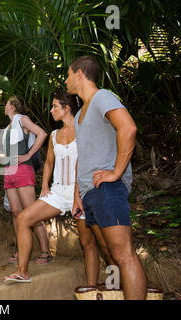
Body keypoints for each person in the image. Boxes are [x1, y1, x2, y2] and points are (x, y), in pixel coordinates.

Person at [3, 91, 114, 284]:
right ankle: (22, 271)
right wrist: (45, 185)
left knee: (90, 243)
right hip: (58, 192)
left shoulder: (83, 132)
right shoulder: (54, 135)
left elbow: (87, 163)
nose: (51, 110)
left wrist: (78, 195)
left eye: (55, 106)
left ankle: (93, 287)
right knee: (23, 218)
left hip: (82, 192)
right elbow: (48, 164)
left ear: (67, 108)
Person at [66, 55, 147, 299]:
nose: (66, 81)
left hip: (107, 190)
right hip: (91, 193)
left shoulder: (103, 97)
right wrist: (77, 195)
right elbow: (84, 154)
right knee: (110, 255)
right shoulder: (81, 113)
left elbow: (128, 128)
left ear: (79, 74)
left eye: (68, 75)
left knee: (123, 255)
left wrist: (116, 172)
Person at [1, 96, 48, 265]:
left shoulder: (22, 119)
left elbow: (42, 133)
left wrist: (28, 155)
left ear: (12, 106)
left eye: (6, 103)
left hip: (23, 169)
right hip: (9, 170)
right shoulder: (7, 127)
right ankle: (22, 250)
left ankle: (45, 251)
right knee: (16, 213)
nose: (4, 106)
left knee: (31, 211)